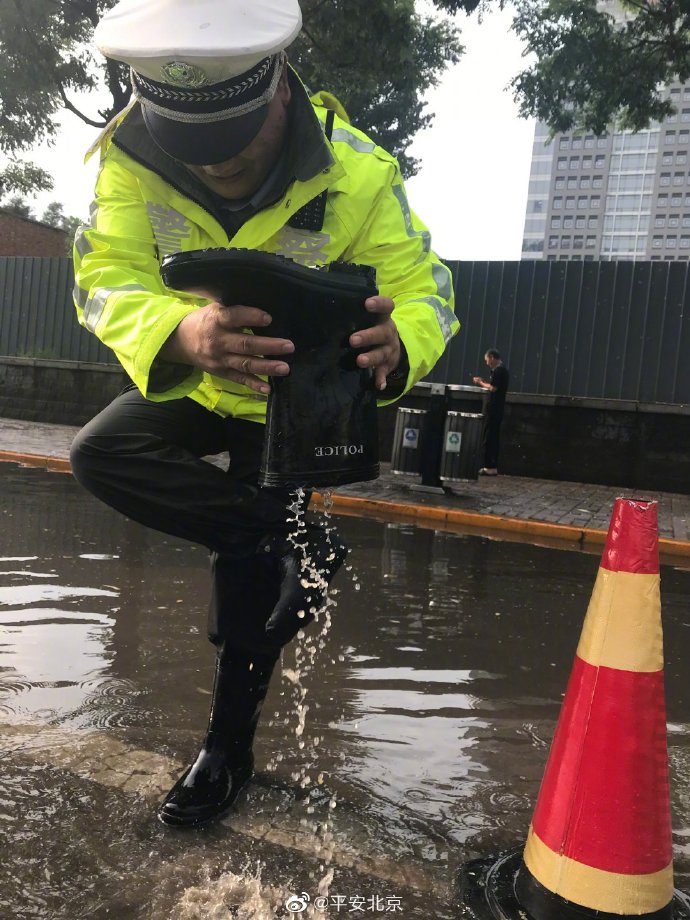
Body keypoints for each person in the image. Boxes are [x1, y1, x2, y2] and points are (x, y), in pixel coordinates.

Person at [70, 0, 458, 828]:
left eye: (236, 149)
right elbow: (103, 277)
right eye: (194, 156)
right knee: (102, 454)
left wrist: (402, 342)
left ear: (277, 87)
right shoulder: (128, 157)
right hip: (200, 376)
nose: (218, 172)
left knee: (248, 604)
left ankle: (226, 750)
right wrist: (180, 329)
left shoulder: (361, 171)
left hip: (294, 403)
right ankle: (277, 535)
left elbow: (430, 290)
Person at [472, 349, 509, 476]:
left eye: (487, 360)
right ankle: (491, 466)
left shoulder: (499, 371)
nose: (487, 363)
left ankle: (489, 466)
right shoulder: (501, 371)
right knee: (492, 436)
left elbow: (493, 388)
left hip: (494, 409)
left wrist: (480, 383)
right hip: (497, 409)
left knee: (489, 436)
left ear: (492, 357)